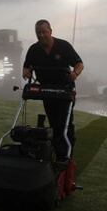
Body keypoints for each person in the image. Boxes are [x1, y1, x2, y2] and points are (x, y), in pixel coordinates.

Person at [23, 19, 84, 160]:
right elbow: (27, 65)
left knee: (64, 124)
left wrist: (75, 74)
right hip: (46, 91)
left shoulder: (63, 46)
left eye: (44, 32)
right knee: (53, 123)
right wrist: (26, 71)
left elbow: (79, 63)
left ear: (50, 31)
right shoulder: (34, 49)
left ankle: (67, 155)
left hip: (65, 91)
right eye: (38, 33)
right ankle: (56, 152)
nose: (42, 35)